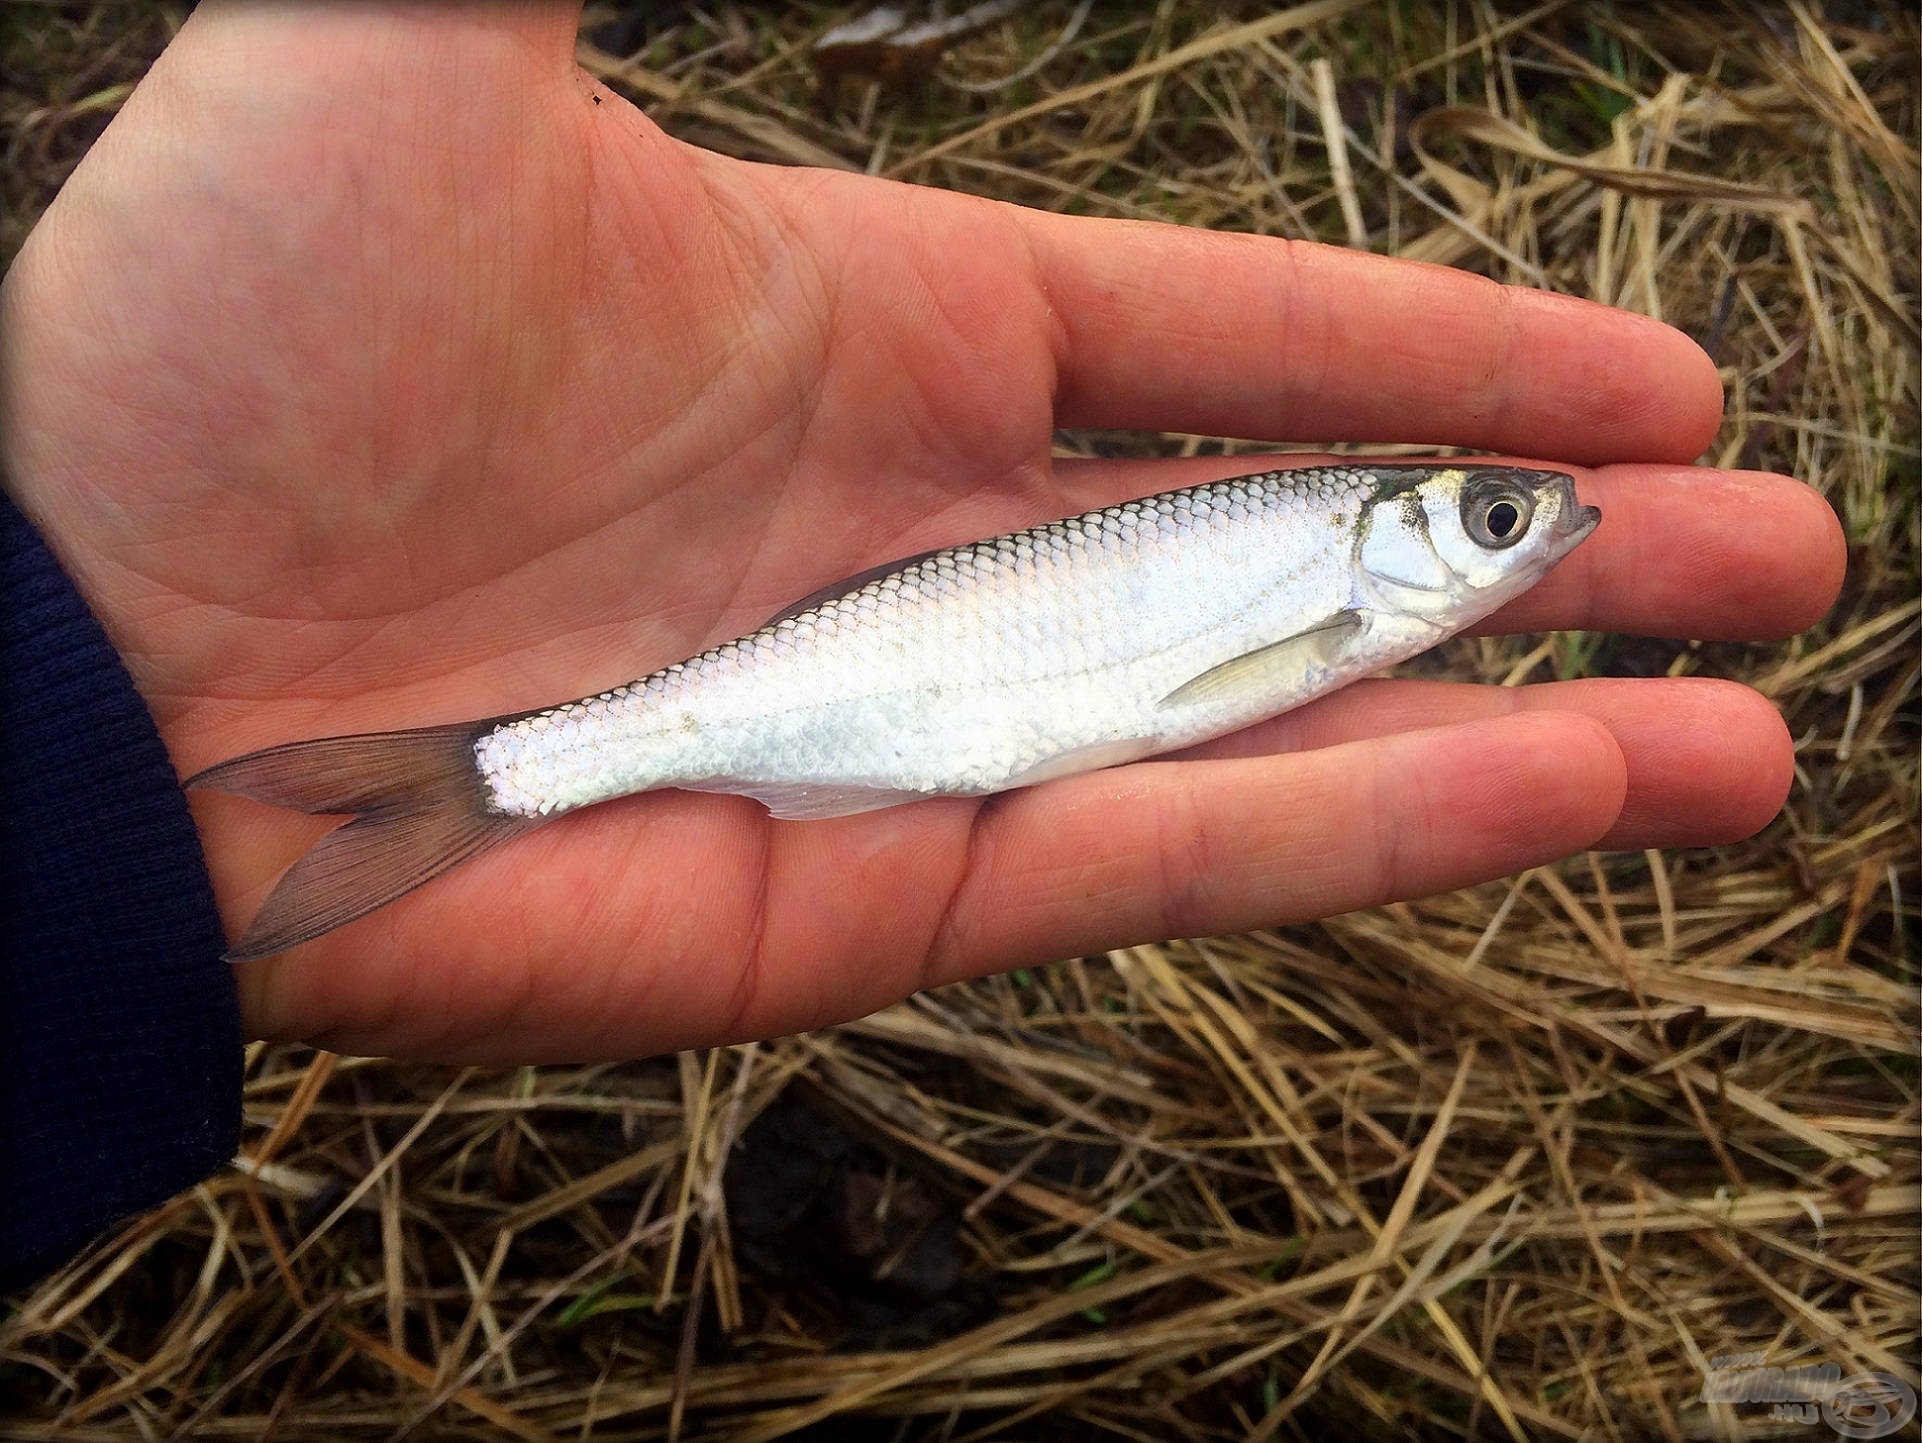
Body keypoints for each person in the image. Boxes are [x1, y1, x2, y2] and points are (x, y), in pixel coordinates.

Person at [0, 1, 1844, 1290]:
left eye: (1502, 524)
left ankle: (468, 784)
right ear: (1400, 543)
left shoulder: (1348, 586)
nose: (1525, 540)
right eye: (1497, 525)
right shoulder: (1343, 586)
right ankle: (478, 783)